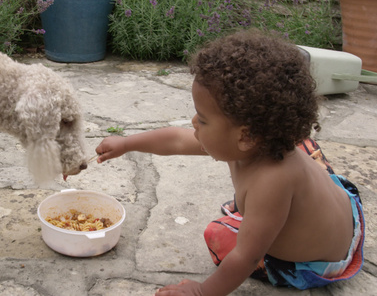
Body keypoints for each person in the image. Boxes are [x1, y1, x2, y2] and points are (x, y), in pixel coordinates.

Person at [94, 30, 364, 296]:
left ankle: (264, 220)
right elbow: (176, 140)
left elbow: (246, 257)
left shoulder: (271, 181)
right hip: (347, 210)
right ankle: (269, 215)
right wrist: (127, 143)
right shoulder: (260, 139)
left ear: (245, 136)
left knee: (219, 235)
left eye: (203, 119)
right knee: (303, 147)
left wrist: (202, 291)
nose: (193, 123)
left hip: (315, 263)